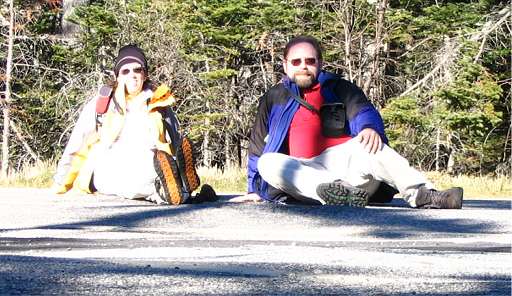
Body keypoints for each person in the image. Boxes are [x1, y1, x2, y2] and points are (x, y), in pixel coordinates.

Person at [241, 35, 463, 209]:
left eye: (310, 61)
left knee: (368, 143)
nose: (303, 66)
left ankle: (425, 194)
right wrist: (253, 189)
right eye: (296, 61)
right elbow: (257, 145)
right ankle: (336, 191)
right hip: (302, 174)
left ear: (320, 63)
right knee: (267, 162)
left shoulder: (340, 88)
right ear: (285, 65)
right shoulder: (274, 97)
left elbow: (363, 111)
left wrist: (369, 128)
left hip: (348, 170)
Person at [52, 44, 216, 205]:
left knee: (154, 167)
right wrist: (61, 183)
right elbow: (77, 144)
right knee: (140, 177)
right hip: (108, 166)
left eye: (138, 70)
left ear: (145, 74)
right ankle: (177, 191)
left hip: (150, 163)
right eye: (125, 71)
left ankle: (177, 186)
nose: (133, 75)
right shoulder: (103, 104)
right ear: (117, 76)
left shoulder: (160, 102)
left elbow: (175, 141)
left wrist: (177, 163)